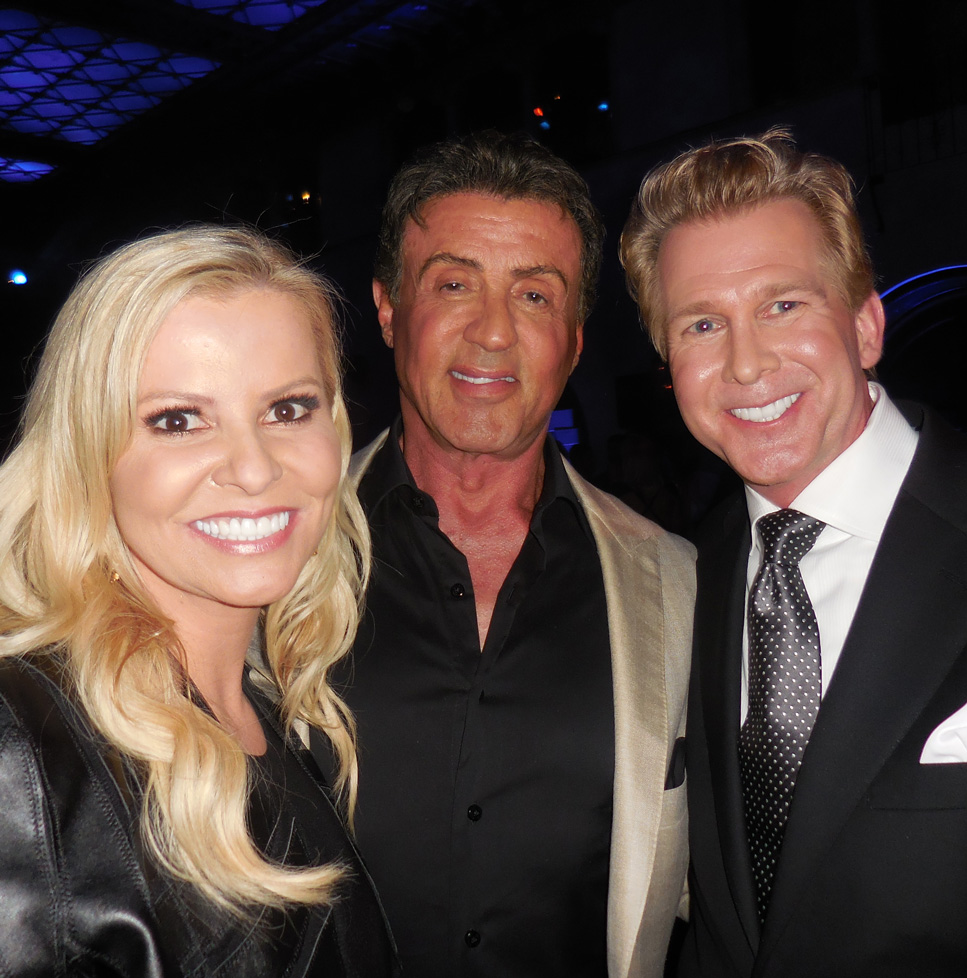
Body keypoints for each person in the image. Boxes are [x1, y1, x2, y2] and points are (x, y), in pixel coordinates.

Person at [620, 128, 967, 977]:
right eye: (702, 325)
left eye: (782, 306)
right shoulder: (680, 575)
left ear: (866, 326)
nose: (746, 365)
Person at [333, 130, 695, 977]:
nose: (494, 333)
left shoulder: (678, 585)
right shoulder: (267, 557)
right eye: (455, 284)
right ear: (389, 309)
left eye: (535, 297)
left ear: (573, 341)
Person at [0, 226, 400, 976]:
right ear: (89, 454)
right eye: (179, 420)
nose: (253, 469)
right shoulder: (20, 751)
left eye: (288, 408)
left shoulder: (275, 708)